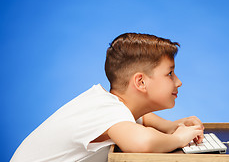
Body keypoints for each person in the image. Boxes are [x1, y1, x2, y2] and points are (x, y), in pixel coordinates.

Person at [11, 33, 204, 162]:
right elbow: (141, 142)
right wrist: (179, 138)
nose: (178, 82)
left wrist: (170, 126)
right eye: (170, 74)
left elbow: (141, 118)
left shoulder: (109, 104)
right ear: (141, 82)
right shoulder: (108, 111)